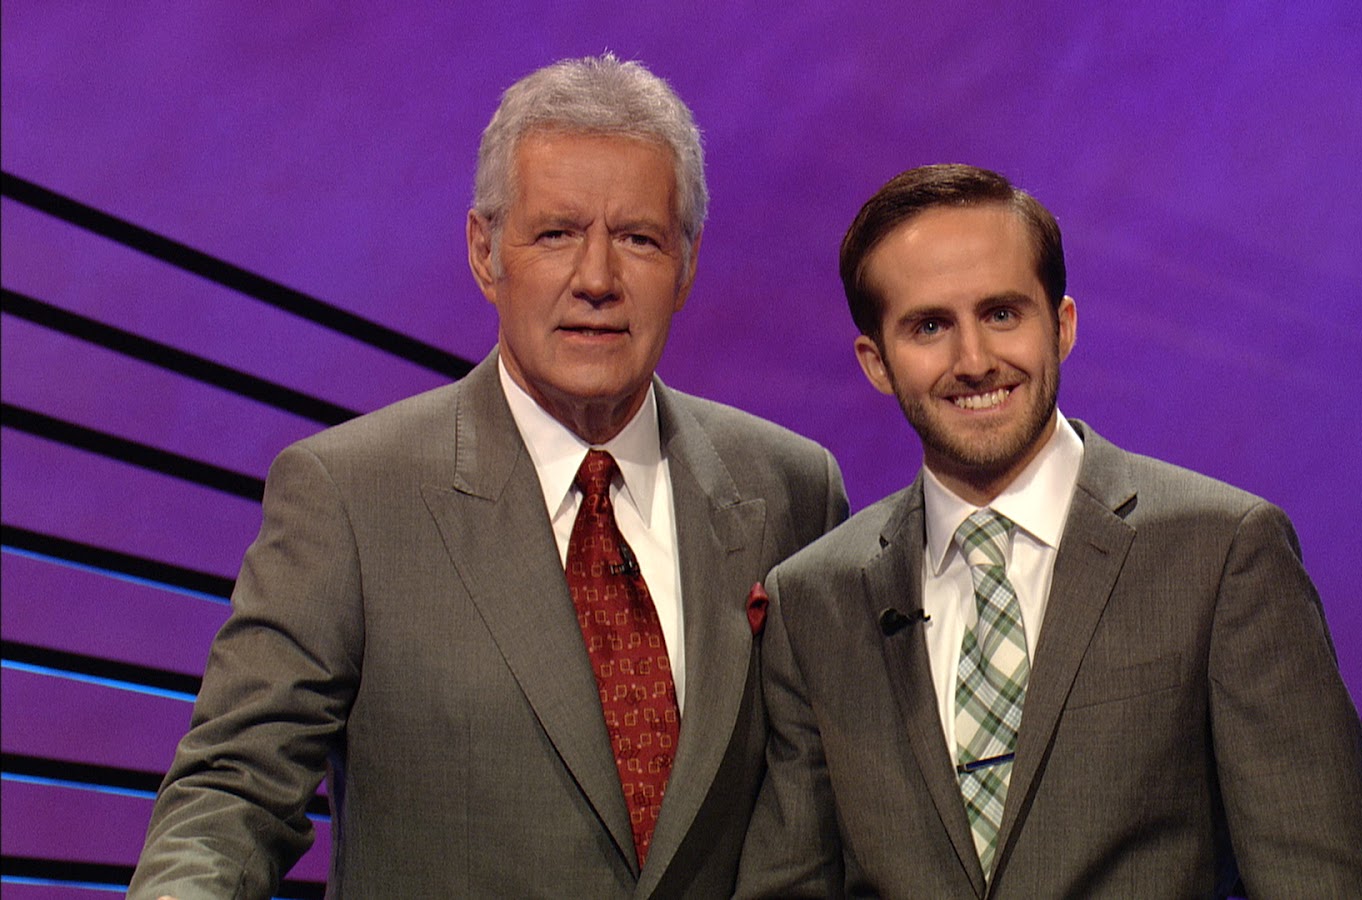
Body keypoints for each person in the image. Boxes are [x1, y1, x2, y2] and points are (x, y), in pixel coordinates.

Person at [129, 55, 848, 899]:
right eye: (556, 234)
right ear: (484, 252)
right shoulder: (351, 496)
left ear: (687, 264)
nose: (597, 280)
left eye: (638, 239)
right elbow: (233, 793)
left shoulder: (791, 490)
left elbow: (826, 812)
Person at [736, 164, 1362, 898]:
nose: (975, 361)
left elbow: (1319, 879)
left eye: (1002, 314)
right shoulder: (815, 601)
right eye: (930, 327)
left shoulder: (1222, 552)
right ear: (876, 362)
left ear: (1063, 325)